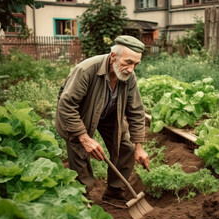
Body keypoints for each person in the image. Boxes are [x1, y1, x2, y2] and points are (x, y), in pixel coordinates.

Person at [55, 35, 150, 201]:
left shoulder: (129, 77)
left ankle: (114, 193)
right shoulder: (87, 70)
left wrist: (139, 146)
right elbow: (66, 105)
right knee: (80, 150)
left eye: (136, 64)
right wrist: (85, 138)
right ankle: (81, 199)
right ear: (113, 56)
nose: (131, 69)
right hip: (80, 115)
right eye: (128, 62)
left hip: (109, 114)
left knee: (126, 148)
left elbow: (136, 110)